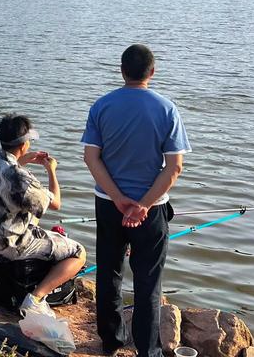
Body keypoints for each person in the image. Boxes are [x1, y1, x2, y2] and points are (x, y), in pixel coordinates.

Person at [81, 45, 191, 357]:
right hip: (152, 210)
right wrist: (142, 205)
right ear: (152, 72)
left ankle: (112, 342)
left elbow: (91, 157)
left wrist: (117, 198)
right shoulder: (167, 109)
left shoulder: (102, 106)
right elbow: (175, 167)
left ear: (122, 70)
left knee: (109, 273)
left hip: (108, 204)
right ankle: (147, 351)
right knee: (148, 281)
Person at [0, 114, 86, 316]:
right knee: (78, 252)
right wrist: (51, 170)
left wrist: (20, 161)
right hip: (9, 247)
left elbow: (5, 174)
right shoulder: (20, 178)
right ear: (24, 144)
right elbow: (56, 203)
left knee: (33, 218)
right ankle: (35, 298)